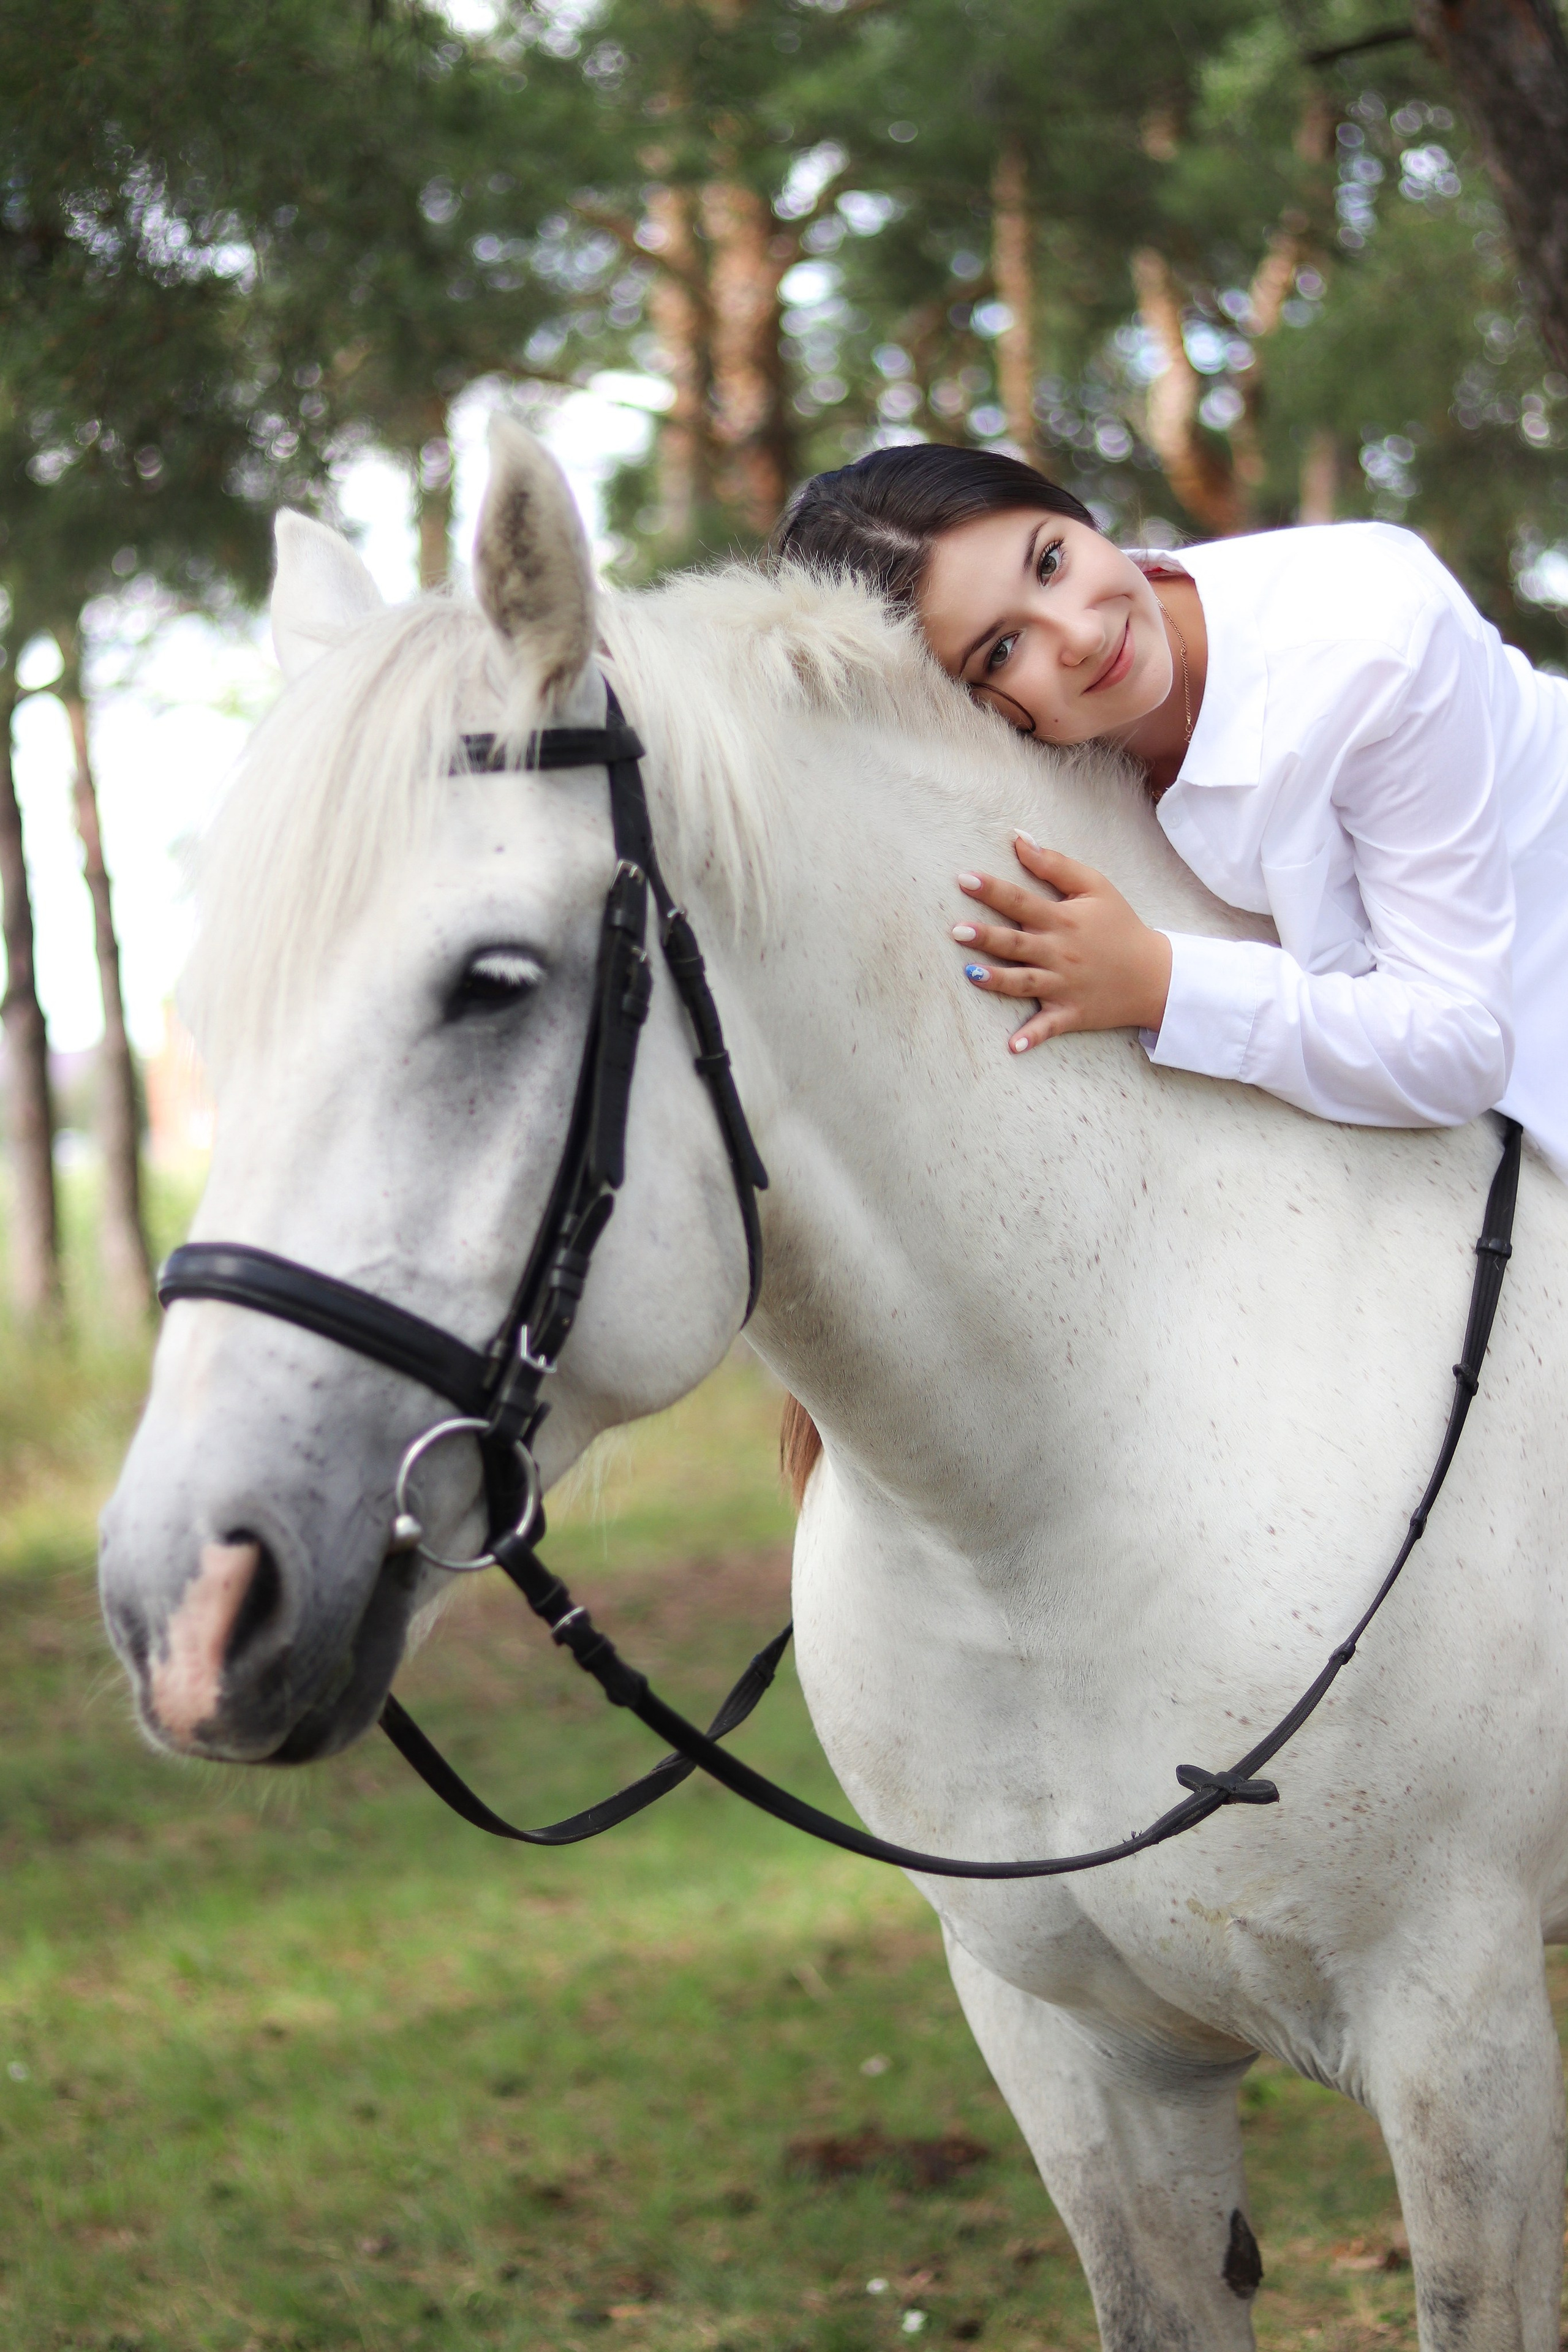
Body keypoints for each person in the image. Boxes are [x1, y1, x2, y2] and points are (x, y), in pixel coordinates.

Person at [772, 447, 1568, 1178]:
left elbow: (1460, 1045)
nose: (1080, 634)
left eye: (1051, 561)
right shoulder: (1020, 772)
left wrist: (1161, 980)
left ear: (1079, 514)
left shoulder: (1369, 648)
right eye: (1003, 651)